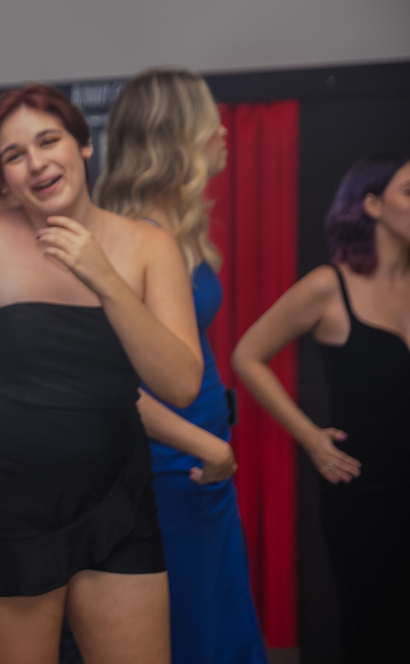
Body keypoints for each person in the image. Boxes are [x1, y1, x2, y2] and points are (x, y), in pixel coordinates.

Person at [0, 83, 203, 664]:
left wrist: (104, 277)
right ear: (1, 177)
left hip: (117, 498)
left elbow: (180, 384)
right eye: (15, 154)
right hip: (7, 505)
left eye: (49, 140)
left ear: (84, 144)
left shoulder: (148, 246)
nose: (37, 162)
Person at [95, 68, 266, 663]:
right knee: (192, 632)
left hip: (203, 456)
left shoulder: (179, 229)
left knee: (220, 621)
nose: (223, 130)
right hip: (171, 464)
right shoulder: (129, 239)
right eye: (209, 119)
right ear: (175, 137)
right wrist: (204, 445)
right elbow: (107, 379)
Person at [232, 152, 410, 663]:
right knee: (373, 628)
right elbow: (247, 355)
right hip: (365, 489)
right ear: (372, 204)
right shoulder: (329, 287)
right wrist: (309, 436)